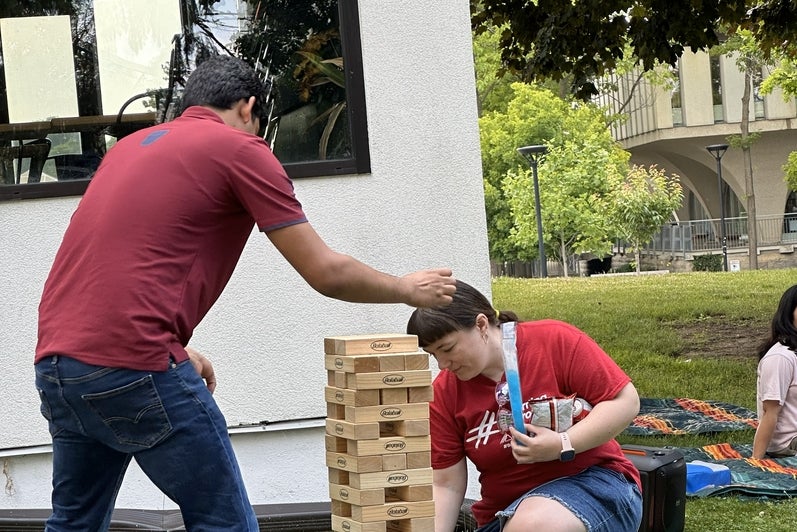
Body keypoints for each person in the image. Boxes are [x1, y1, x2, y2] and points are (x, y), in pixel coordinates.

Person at [34, 55, 456, 532]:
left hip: (58, 365)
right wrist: (403, 288)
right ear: (248, 107)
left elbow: (115, 269)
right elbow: (325, 271)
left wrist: (174, 346)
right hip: (135, 362)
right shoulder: (239, 148)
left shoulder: (128, 149)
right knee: (225, 523)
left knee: (73, 523)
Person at [406, 280, 642, 532]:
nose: (442, 364)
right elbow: (446, 485)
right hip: (504, 514)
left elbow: (624, 402)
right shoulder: (444, 392)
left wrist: (563, 443)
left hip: (594, 485)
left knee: (531, 525)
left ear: (481, 324)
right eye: (433, 354)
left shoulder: (553, 340)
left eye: (447, 348)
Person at [752, 284, 797, 459]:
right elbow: (769, 413)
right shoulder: (780, 358)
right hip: (788, 442)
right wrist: (756, 462)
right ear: (789, 313)